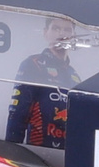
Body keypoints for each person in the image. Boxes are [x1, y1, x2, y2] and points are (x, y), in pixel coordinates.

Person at [5, 18, 81, 148]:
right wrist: (11, 151)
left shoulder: (74, 75)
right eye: (56, 28)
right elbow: (17, 113)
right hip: (38, 150)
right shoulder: (33, 64)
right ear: (46, 33)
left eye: (67, 30)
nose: (61, 33)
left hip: (66, 152)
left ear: (74, 36)